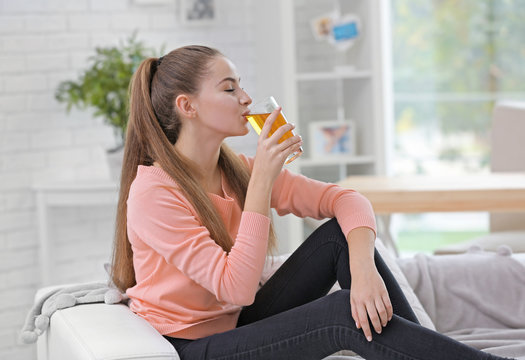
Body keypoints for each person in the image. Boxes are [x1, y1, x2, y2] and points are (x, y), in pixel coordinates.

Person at [110, 45, 513, 360]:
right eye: (230, 88)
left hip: (236, 323)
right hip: (192, 348)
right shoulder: (154, 194)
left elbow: (345, 199)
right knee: (342, 314)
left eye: (242, 85)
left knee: (338, 237)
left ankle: (424, 352)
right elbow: (236, 288)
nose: (246, 98)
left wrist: (363, 266)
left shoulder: (235, 169)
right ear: (188, 106)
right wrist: (264, 179)